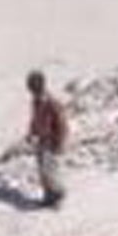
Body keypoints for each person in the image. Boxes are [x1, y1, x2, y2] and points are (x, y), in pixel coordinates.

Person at [25, 70, 68, 209]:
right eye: (31, 87)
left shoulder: (52, 103)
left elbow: (61, 123)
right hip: (41, 140)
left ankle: (58, 196)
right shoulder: (36, 101)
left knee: (51, 170)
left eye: (34, 87)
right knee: (43, 170)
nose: (32, 90)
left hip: (52, 140)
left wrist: (59, 142)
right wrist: (31, 133)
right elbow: (35, 119)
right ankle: (48, 197)